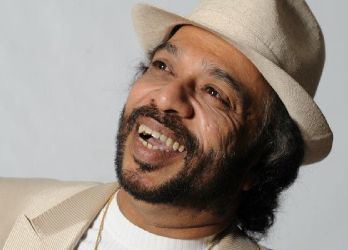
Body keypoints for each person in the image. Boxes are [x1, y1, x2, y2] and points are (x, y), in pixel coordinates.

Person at [0, 0, 333, 249]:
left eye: (215, 93)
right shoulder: (8, 210)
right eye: (163, 65)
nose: (167, 97)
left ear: (261, 164)